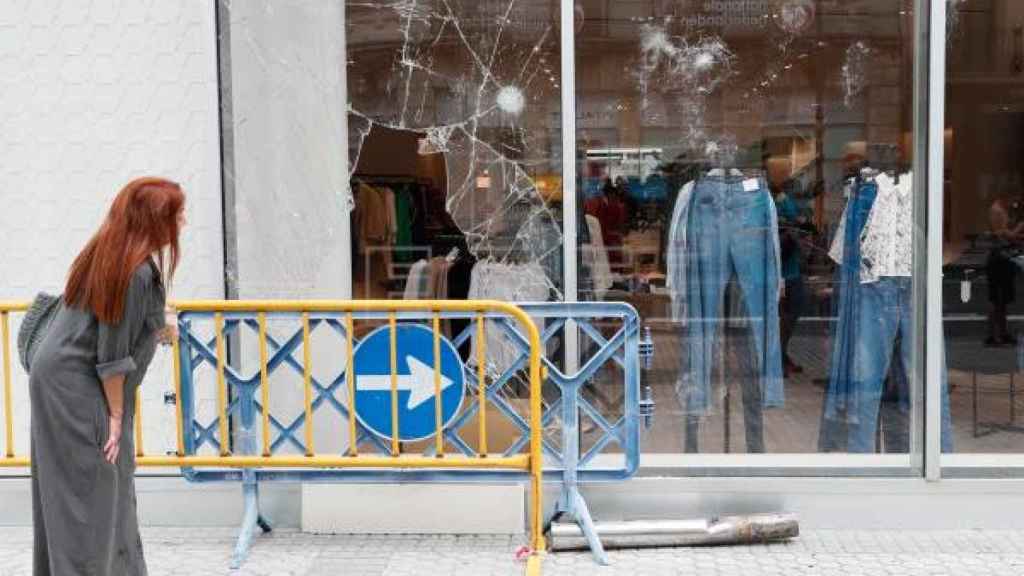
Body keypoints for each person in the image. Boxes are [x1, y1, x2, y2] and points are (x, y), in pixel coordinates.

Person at [29, 177, 185, 575]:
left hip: (61, 379)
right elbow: (111, 358)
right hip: (75, 387)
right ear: (154, 220)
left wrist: (161, 325)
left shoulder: (112, 253)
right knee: (90, 497)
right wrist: (115, 418)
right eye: (175, 213)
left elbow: (110, 325)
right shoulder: (134, 273)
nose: (182, 220)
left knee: (91, 491)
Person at [775, 179, 813, 377]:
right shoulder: (781, 203)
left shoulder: (795, 204)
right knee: (785, 316)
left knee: (791, 314)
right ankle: (778, 358)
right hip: (782, 272)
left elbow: (805, 226)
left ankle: (781, 355)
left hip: (791, 270)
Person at [985, 192, 1024, 347]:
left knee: (1003, 301)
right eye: (1016, 199)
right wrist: (1019, 228)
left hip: (1005, 258)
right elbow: (1001, 233)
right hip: (998, 260)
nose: (1017, 203)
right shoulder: (997, 210)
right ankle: (994, 336)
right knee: (997, 300)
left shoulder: (1003, 209)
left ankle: (1002, 332)